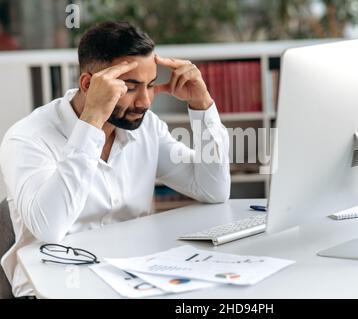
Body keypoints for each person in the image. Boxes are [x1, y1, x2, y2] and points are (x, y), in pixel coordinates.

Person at [0, 21, 230, 297]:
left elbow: (213, 190)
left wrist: (202, 106)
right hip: (53, 287)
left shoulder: (147, 127)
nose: (144, 101)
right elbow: (49, 228)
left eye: (150, 85)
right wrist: (92, 122)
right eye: (130, 87)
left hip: (134, 278)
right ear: (88, 84)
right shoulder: (27, 137)